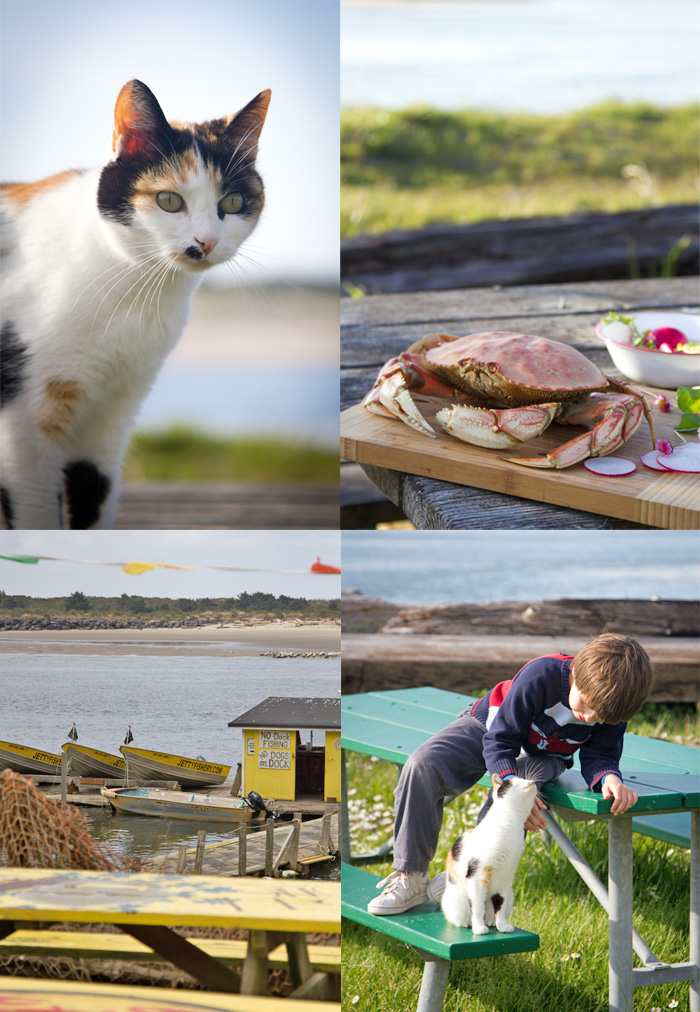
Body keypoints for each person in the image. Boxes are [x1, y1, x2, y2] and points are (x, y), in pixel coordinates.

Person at [368, 633, 654, 915]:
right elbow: (501, 740)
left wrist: (610, 778)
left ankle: (471, 876)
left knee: (523, 792)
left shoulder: (615, 703)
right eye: (586, 703)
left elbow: (601, 754)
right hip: (491, 726)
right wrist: (505, 782)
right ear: (577, 671)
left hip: (546, 756)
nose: (590, 717)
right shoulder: (540, 675)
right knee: (422, 763)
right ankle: (410, 875)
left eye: (601, 716)